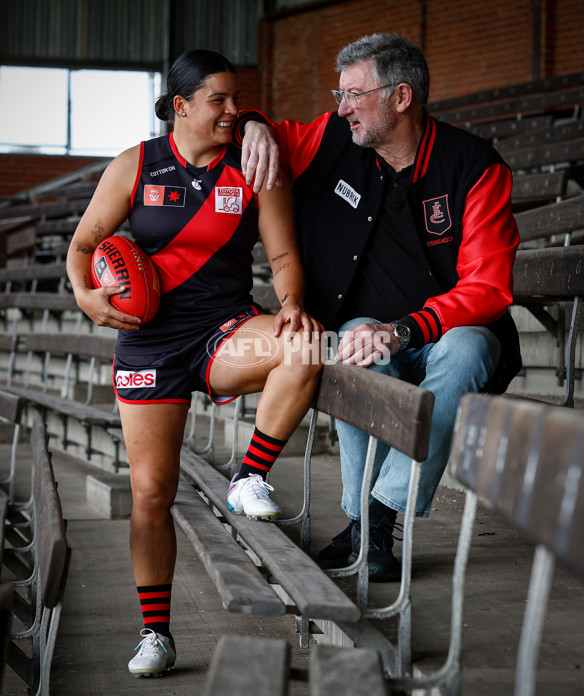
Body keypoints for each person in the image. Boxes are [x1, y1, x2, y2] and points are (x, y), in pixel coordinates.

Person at [66, 49, 323, 678]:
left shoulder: (254, 165)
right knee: (152, 494)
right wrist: (87, 296)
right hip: (149, 343)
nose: (234, 111)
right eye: (220, 101)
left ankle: (249, 476)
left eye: (239, 100)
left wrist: (290, 303)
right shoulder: (136, 164)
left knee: (306, 343)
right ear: (180, 107)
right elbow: (82, 244)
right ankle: (156, 633)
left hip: (223, 330)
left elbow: (285, 258)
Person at [238, 33, 522, 582]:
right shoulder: (329, 137)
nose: (340, 107)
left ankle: (374, 519)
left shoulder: (474, 166)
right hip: (362, 330)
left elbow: (489, 286)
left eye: (354, 94)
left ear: (400, 97)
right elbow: (268, 132)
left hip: (450, 332)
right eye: (338, 93)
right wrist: (252, 122)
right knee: (357, 343)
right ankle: (369, 526)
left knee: (464, 350)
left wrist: (407, 329)